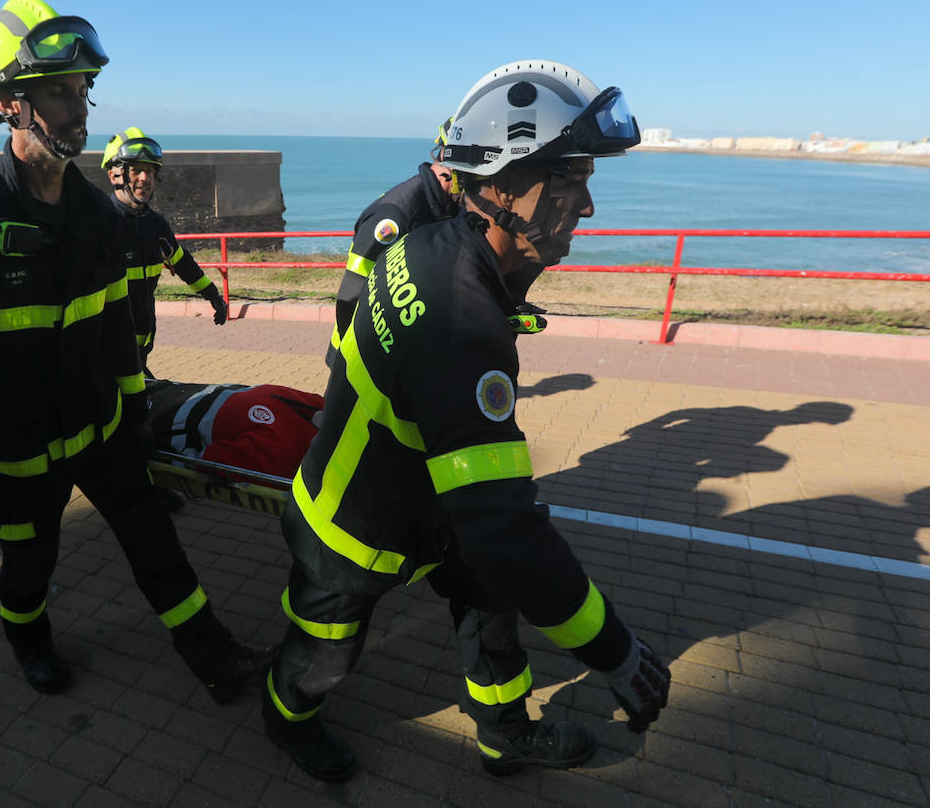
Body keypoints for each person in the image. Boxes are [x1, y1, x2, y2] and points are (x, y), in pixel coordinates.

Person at [263, 61, 671, 782]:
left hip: (424, 499)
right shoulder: (461, 325)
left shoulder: (430, 247)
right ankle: (282, 716)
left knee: (491, 602)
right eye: (569, 181)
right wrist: (617, 651)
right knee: (322, 656)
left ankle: (503, 733)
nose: (587, 207)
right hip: (355, 527)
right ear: (503, 184)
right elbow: (508, 532)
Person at [0, 0, 267, 697]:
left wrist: (135, 415)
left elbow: (115, 329)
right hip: (14, 455)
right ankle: (30, 641)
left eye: (83, 90)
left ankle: (213, 655)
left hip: (101, 429)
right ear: (6, 101)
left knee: (156, 545)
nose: (79, 109)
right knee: (29, 565)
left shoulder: (95, 215)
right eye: (58, 90)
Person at [326, 117, 458, 365]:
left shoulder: (449, 208)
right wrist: (346, 361)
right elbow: (351, 294)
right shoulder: (396, 217)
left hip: (409, 352)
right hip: (360, 353)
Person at [102, 127, 227, 372]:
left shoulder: (155, 224)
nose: (145, 178)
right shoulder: (99, 224)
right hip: (106, 351)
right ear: (114, 175)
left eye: (149, 170)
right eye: (136, 170)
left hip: (142, 346)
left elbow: (181, 263)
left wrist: (213, 295)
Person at [146, 379, 323, 481]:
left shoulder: (317, 405)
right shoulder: (281, 457)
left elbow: (212, 461)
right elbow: (207, 463)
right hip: (171, 415)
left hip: (179, 399)